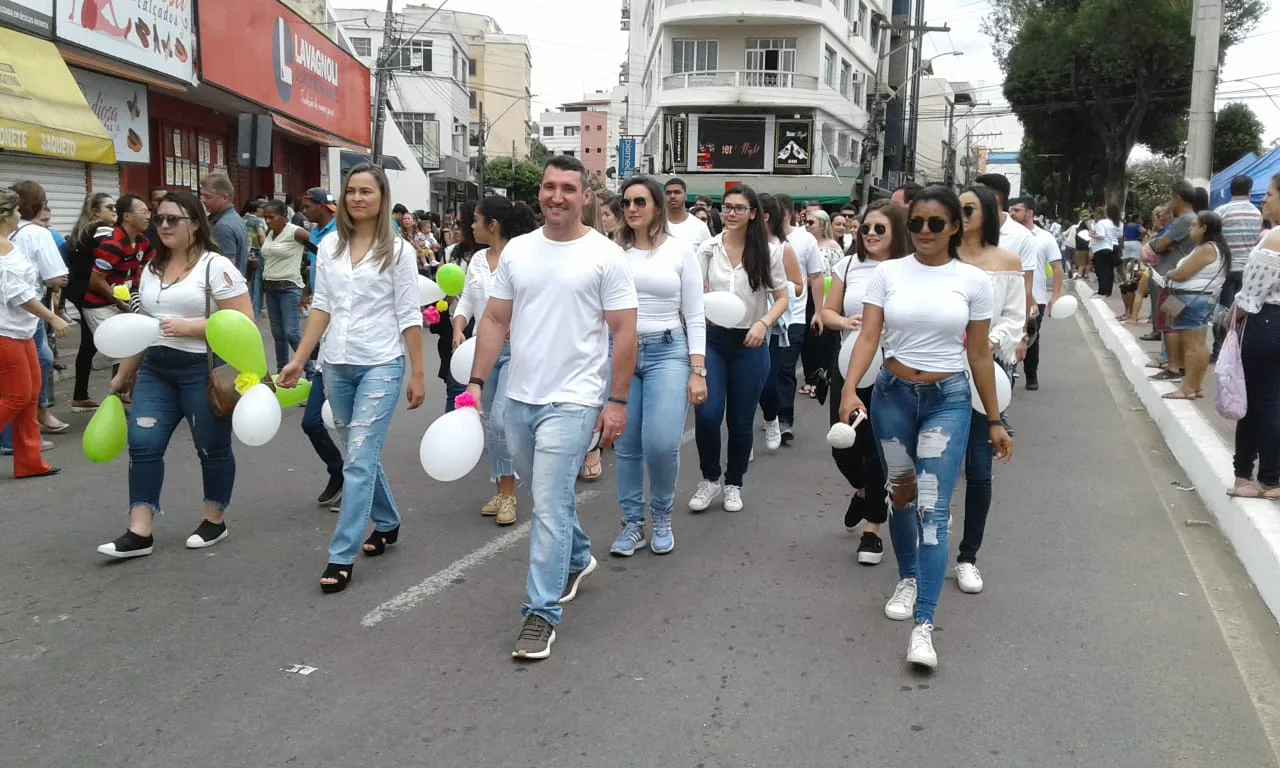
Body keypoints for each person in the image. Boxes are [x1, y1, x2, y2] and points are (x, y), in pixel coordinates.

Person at [463, 155, 639, 660]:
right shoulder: (517, 250)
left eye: (568, 188)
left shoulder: (605, 256)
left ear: (586, 196)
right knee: (550, 496)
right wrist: (476, 382)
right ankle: (579, 556)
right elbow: (495, 319)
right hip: (519, 396)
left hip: (575, 397)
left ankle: (540, 614)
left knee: (546, 500)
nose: (556, 196)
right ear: (539, 193)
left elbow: (625, 331)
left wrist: (617, 401)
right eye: (548, 187)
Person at [838, 185, 1012, 669]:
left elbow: (978, 353)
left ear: (955, 226)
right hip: (893, 396)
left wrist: (994, 419)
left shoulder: (973, 281)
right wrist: (851, 387)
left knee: (933, 512)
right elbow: (870, 334)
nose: (925, 232)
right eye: (916, 223)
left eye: (937, 223)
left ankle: (924, 626)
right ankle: (908, 577)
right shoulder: (888, 274)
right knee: (902, 495)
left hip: (948, 400)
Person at [278, 164, 426, 593]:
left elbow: (408, 314)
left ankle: (341, 555)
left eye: (367, 191)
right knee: (359, 451)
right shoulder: (330, 249)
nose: (358, 198)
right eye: (351, 191)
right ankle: (389, 520)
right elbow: (321, 306)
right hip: (336, 365)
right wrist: (299, 359)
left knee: (358, 458)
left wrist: (418, 373)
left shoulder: (399, 251)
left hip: (381, 362)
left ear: (381, 198)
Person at [96, 192, 252, 559]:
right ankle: (140, 530)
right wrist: (126, 373)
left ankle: (214, 519)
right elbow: (147, 327)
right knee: (142, 443)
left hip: (202, 370)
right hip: (155, 369)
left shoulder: (217, 267)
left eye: (173, 219)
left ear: (195, 224)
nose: (163, 226)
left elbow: (242, 322)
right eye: (159, 219)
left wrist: (192, 327)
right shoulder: (151, 267)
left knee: (211, 448)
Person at [608, 175, 705, 557]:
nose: (632, 209)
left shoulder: (681, 252)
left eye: (640, 202)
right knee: (628, 445)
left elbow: (696, 314)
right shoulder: (613, 252)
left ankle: (661, 514)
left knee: (662, 443)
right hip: (621, 352)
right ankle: (632, 523)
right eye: (627, 202)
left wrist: (698, 369)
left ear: (657, 207)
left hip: (668, 350)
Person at [689, 185, 798, 513]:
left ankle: (734, 482)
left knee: (739, 420)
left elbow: (782, 298)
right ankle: (710, 478)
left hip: (751, 344)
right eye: (727, 207)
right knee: (707, 414)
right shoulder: (708, 249)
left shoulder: (769, 251)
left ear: (754, 213)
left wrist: (763, 323)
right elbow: (693, 295)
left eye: (739, 208)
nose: (731, 213)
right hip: (714, 342)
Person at [821, 199, 910, 564]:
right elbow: (827, 311)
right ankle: (863, 492)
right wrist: (846, 323)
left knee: (877, 452)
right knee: (842, 446)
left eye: (879, 228)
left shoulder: (910, 269)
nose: (870, 234)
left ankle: (873, 527)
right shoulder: (848, 264)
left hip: (893, 370)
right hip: (851, 366)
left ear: (896, 233)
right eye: (865, 227)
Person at [956, 186, 1027, 594]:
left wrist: (987, 341)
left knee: (979, 469)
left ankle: (968, 557)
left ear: (986, 211)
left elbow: (1015, 317)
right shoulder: (941, 259)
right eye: (957, 209)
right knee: (935, 466)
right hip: (940, 370)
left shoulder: (1007, 261)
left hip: (987, 371)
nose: (962, 215)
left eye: (968, 208)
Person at [453, 196, 538, 526]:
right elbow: (466, 300)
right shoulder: (476, 259)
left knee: (502, 420)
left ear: (493, 225)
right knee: (490, 421)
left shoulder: (522, 257)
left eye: (476, 220)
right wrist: (459, 327)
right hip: (482, 351)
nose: (471, 226)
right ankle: (503, 489)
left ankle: (510, 494)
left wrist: (516, 326)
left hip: (518, 352)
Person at [0, 188, 68, 478]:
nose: (20, 216)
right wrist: (53, 318)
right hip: (6, 332)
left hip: (22, 330)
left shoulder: (8, 244)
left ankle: (29, 461)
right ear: (5, 215)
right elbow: (18, 295)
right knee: (17, 396)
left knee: (29, 396)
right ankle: (28, 459)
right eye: (16, 211)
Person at [1227, 173, 1280, 499]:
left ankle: (1250, 476)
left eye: (1271, 193)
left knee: (1256, 404)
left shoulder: (1273, 240)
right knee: (1272, 401)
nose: (1265, 199)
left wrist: (1230, 324)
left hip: (1266, 323)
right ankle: (1271, 477)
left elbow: (1249, 298)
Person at [297, 187, 345, 509]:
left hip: (353, 346)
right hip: (325, 339)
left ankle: (360, 491)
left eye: (306, 206)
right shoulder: (315, 234)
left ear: (322, 208)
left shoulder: (341, 236)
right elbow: (324, 285)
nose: (304, 211)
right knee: (311, 421)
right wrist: (309, 292)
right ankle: (338, 472)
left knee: (353, 428)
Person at [757, 193, 817, 449]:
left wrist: (772, 289)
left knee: (779, 374)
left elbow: (799, 286)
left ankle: (781, 419)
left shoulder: (787, 247)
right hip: (748, 322)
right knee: (751, 378)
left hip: (784, 322)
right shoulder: (741, 247)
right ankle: (749, 433)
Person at [65, 192, 131, 412]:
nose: (115, 211)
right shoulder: (103, 230)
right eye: (110, 207)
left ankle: (80, 396)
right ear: (95, 212)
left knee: (88, 345)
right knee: (121, 344)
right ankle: (120, 394)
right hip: (95, 296)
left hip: (80, 293)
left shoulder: (82, 231)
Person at [1159, 211, 1228, 400]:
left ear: (1204, 228)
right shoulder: (1214, 248)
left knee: (1191, 345)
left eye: (1194, 225)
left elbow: (1183, 274)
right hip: (1196, 299)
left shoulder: (1206, 248)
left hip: (1190, 299)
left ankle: (1187, 388)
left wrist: (1171, 273)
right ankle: (1195, 386)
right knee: (1198, 343)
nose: (1191, 228)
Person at [1009, 196, 1064, 391]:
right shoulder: (1006, 235)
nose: (1012, 214)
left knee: (1031, 337)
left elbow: (1057, 267)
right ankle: (1008, 375)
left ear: (1030, 213)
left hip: (1037, 297)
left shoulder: (1044, 237)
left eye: (1016, 210)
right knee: (1009, 337)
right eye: (1011, 210)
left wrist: (1055, 296)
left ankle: (1031, 375)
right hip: (1010, 297)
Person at [1213, 176, 1264, 359]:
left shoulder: (1221, 211)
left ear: (1230, 190)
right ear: (1249, 191)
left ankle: (1219, 349)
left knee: (1223, 309)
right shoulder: (1257, 213)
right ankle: (1237, 350)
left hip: (1226, 267)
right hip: (1247, 270)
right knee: (1242, 311)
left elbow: (1215, 238)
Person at [259, 200, 311, 373]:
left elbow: (319, 251)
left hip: (289, 288)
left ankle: (311, 371)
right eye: (265, 217)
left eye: (271, 217)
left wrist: (310, 280)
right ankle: (281, 373)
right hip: (270, 288)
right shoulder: (270, 232)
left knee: (292, 333)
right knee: (278, 335)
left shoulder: (296, 232)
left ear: (283, 217)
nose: (267, 221)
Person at [200, 171, 249, 279]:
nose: (203, 201)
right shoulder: (235, 218)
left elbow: (226, 268)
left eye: (208, 197)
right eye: (202, 196)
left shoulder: (223, 226)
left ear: (225, 198)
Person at [664, 177, 711, 245]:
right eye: (668, 193)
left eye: (677, 192)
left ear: (686, 196)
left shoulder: (700, 227)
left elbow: (708, 254)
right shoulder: (654, 225)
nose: (672, 196)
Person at [243, 200, 267, 318]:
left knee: (246, 281)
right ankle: (256, 310)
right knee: (257, 282)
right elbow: (261, 235)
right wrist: (266, 249)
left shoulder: (242, 219)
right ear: (258, 209)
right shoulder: (257, 221)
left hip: (245, 253)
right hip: (256, 252)